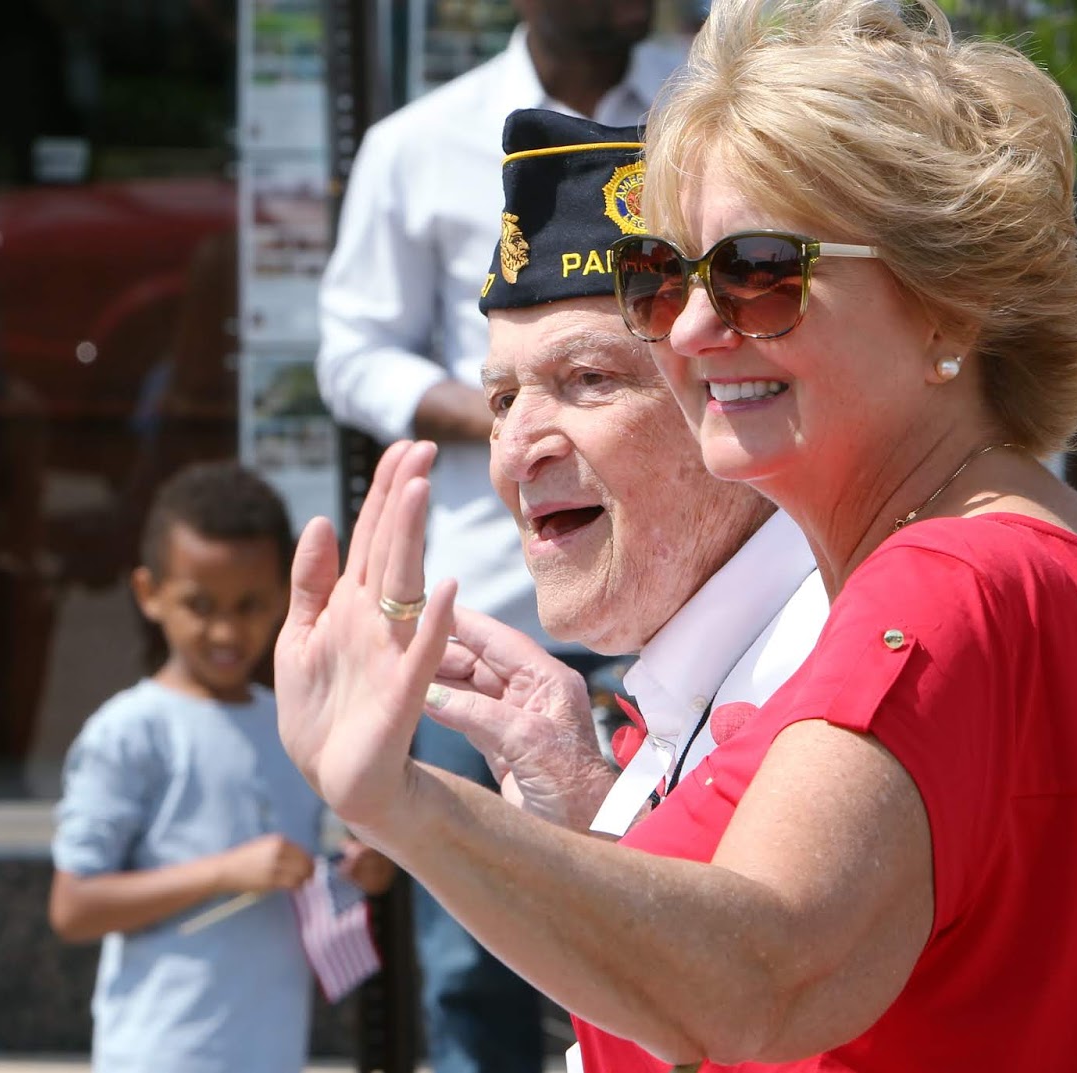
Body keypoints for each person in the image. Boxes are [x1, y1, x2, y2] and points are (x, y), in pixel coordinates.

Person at [273, 1, 1077, 1070]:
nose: (688, 328)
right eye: (662, 280)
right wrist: (586, 805)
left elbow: (763, 976)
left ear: (948, 304)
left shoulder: (944, 584)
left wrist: (405, 803)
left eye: (758, 273)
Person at [315, 4, 685, 1067]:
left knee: (671, 894)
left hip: (676, 588)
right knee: (471, 955)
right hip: (485, 597)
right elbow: (351, 350)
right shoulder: (418, 143)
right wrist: (509, 413)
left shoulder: (705, 109)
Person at [423, 108, 826, 842]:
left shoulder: (833, 663)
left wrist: (391, 810)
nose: (515, 452)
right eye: (503, 400)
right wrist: (583, 811)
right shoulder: (717, 672)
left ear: (732, 391)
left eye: (588, 379)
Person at [48, 459, 394, 1073]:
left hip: (272, 1049)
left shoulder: (292, 721)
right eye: (201, 605)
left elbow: (321, 857)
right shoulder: (129, 730)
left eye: (250, 605)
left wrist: (361, 868)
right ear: (149, 594)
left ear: (284, 597)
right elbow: (73, 906)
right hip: (159, 1052)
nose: (227, 631)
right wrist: (224, 872)